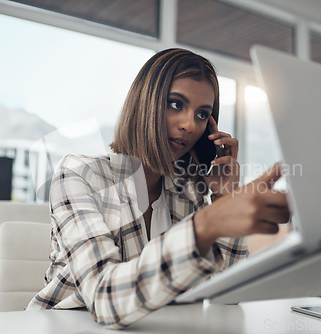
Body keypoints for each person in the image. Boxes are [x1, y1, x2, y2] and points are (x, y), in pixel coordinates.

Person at [26, 48, 290, 329]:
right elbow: (105, 301)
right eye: (176, 104)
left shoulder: (189, 191)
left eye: (202, 114)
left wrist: (224, 198)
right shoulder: (80, 175)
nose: (190, 125)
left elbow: (224, 296)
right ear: (144, 104)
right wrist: (205, 225)